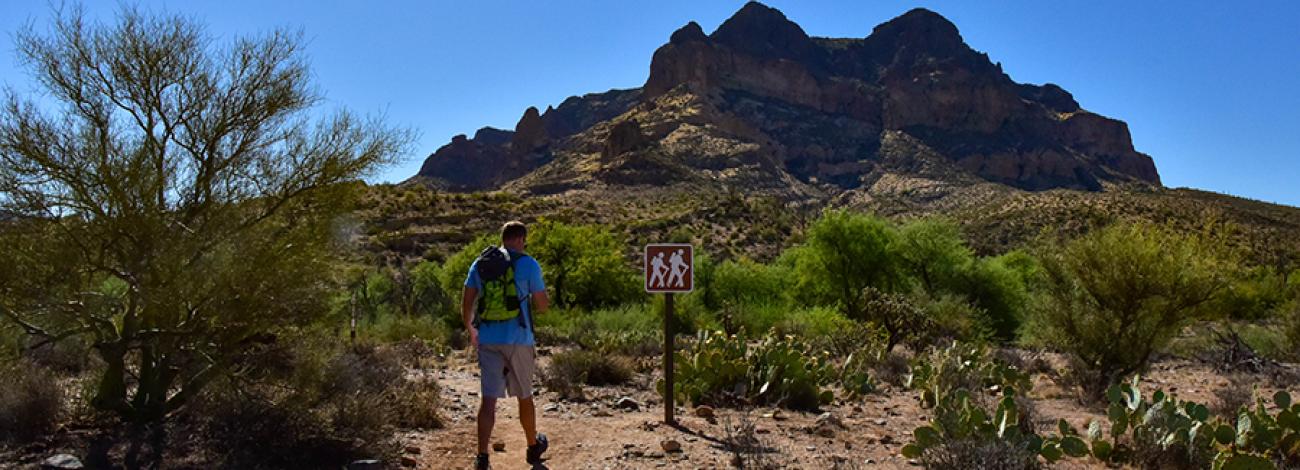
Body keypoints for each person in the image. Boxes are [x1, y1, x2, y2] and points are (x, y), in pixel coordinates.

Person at [463, 221, 550, 470]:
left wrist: (471, 330)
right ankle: (533, 447)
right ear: (521, 239)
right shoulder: (528, 264)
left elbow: (467, 301)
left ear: (502, 238)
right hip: (519, 339)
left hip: (488, 339)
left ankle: (482, 456)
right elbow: (542, 305)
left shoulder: (480, 264)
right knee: (524, 395)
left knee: (488, 399)